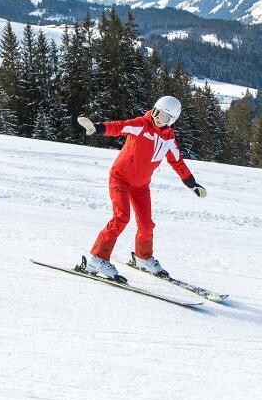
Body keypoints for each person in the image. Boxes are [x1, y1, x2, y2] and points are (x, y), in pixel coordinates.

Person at [77, 95, 207, 280]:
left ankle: (142, 258)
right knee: (121, 217)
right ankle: (97, 259)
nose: (156, 117)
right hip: (120, 178)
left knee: (146, 225)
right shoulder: (141, 125)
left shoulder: (169, 139)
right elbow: (119, 126)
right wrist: (97, 128)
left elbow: (177, 162)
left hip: (141, 186)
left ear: (171, 121)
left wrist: (192, 184)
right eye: (155, 112)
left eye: (162, 117)